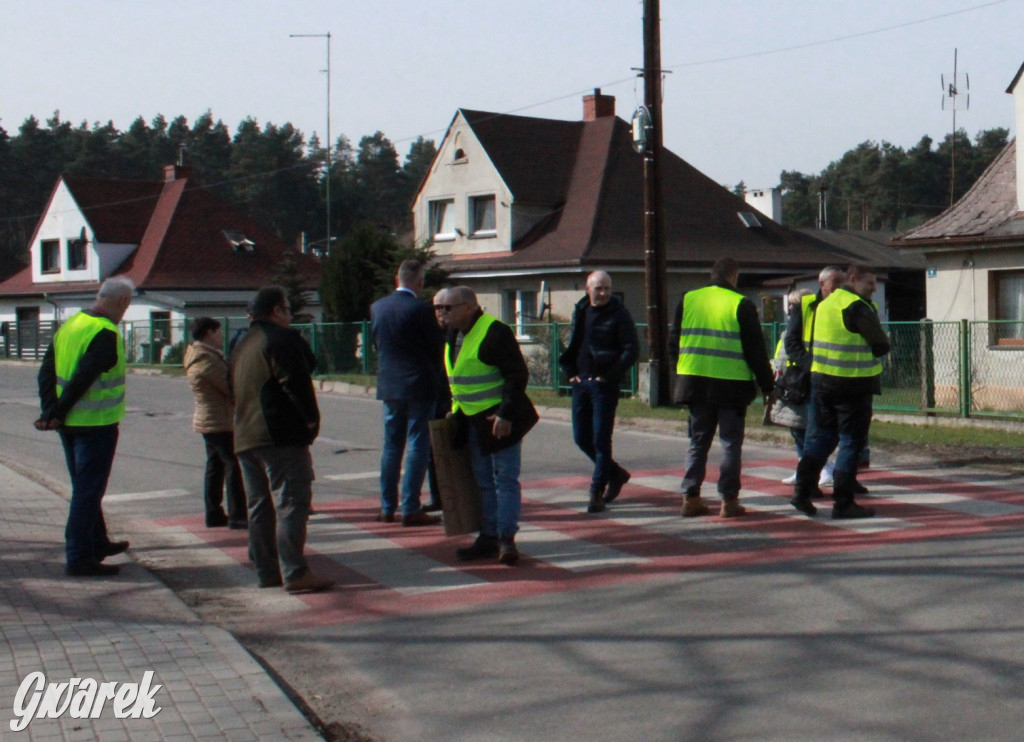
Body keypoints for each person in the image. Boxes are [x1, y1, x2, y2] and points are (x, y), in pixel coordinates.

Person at [231, 286, 332, 593]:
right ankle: (295, 572)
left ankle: (266, 571)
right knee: (292, 502)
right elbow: (298, 382)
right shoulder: (280, 339)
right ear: (276, 310)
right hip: (279, 435)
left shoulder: (240, 343)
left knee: (260, 506)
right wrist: (311, 420)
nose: (290, 315)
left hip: (245, 435)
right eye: (287, 309)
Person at [35, 276, 135, 577]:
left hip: (69, 424)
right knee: (88, 492)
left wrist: (51, 412)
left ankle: (98, 542)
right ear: (122, 303)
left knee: (85, 488)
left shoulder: (71, 324)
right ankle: (79, 556)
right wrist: (58, 411)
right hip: (96, 423)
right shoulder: (105, 332)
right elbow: (85, 376)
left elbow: (46, 372)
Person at [669, 257, 775, 518]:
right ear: (734, 276)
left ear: (711, 275)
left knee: (697, 442)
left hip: (695, 383)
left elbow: (674, 340)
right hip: (732, 386)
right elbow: (756, 351)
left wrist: (680, 371)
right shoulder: (741, 304)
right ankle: (729, 501)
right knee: (730, 444)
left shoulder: (689, 299)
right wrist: (768, 386)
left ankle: (690, 498)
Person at [443, 286, 539, 565]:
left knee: (505, 480)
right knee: (484, 481)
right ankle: (489, 537)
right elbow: (458, 377)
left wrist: (505, 415)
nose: (445, 313)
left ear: (469, 307)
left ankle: (506, 539)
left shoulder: (495, 331)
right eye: (442, 308)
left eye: (450, 308)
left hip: (499, 420)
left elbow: (516, 375)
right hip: (473, 420)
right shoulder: (453, 333)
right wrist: (455, 412)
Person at [790, 264, 890, 519]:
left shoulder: (825, 304)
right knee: (850, 441)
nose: (874, 288)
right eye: (870, 283)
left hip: (822, 382)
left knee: (822, 439)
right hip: (853, 384)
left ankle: (801, 493)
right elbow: (880, 345)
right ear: (853, 280)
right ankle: (843, 503)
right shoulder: (856, 306)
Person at [370, 259, 446, 527]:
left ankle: (387, 506)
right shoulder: (421, 309)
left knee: (391, 445)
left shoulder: (378, 308)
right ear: (419, 281)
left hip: (390, 385)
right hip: (419, 384)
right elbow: (437, 347)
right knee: (417, 444)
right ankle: (410, 507)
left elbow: (376, 343)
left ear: (396, 279)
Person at [784, 265, 869, 497]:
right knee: (817, 435)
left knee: (849, 438)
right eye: (835, 281)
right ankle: (808, 486)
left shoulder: (848, 303)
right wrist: (811, 365)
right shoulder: (806, 305)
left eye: (842, 281)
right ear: (822, 284)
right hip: (815, 379)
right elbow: (791, 343)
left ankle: (847, 480)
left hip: (842, 379)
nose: (840, 286)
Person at [559, 270, 639, 513]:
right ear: (588, 290)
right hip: (581, 383)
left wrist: (610, 374)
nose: (603, 293)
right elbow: (575, 344)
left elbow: (631, 349)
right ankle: (616, 474)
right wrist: (569, 370)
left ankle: (596, 491)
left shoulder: (619, 314)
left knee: (601, 440)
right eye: (598, 289)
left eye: (607, 288)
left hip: (604, 386)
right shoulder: (581, 310)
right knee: (581, 438)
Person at [184, 316, 247, 529]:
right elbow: (230, 386)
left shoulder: (201, 355)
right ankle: (237, 514)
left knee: (216, 465)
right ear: (209, 333)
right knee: (232, 465)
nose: (221, 337)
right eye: (218, 333)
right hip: (219, 420)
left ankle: (214, 512)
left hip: (211, 419)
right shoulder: (206, 360)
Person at [773, 288, 835, 488]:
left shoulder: (808, 329)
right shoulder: (787, 330)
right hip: (790, 384)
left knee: (808, 429)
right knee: (796, 429)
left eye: (793, 304)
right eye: (789, 304)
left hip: (803, 382)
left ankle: (824, 468)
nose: (790, 308)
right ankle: (803, 467)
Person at [423, 287, 455, 512]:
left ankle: (464, 495)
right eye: (437, 307)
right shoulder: (428, 332)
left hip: (458, 398)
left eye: (447, 307)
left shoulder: (460, 331)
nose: (442, 312)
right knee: (432, 452)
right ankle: (438, 497)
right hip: (433, 396)